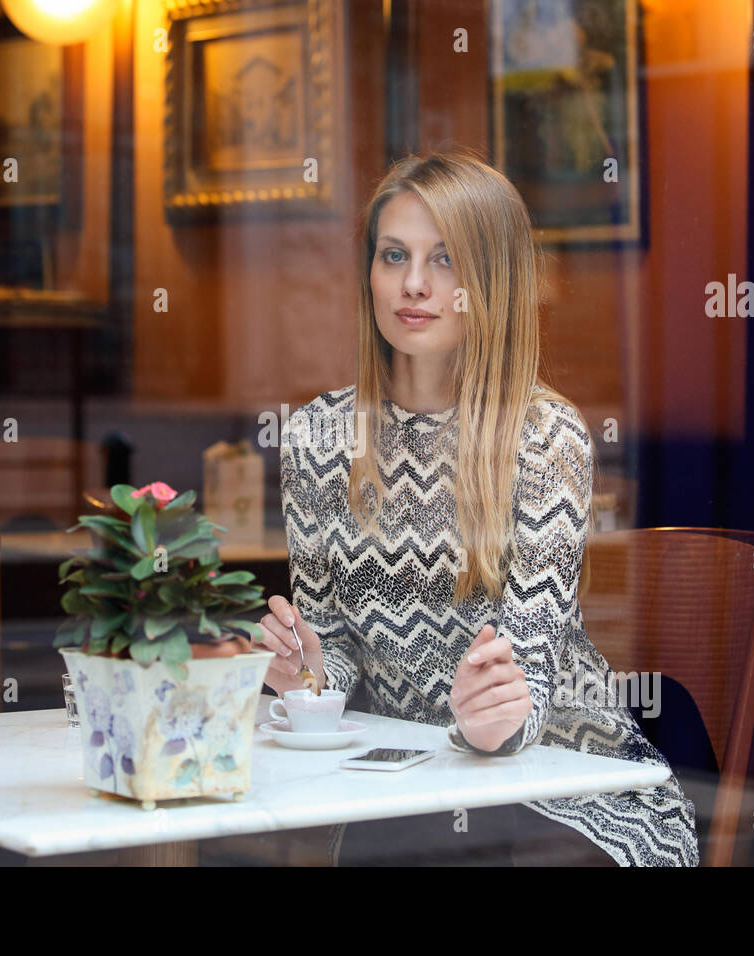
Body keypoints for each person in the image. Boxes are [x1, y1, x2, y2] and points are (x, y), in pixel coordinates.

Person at [256, 147, 699, 866]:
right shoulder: (317, 436)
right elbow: (333, 652)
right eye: (394, 255)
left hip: (568, 792)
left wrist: (488, 714)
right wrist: (304, 671)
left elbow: (528, 675)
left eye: (447, 261)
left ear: (489, 280)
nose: (415, 284)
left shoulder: (545, 437)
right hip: (400, 795)